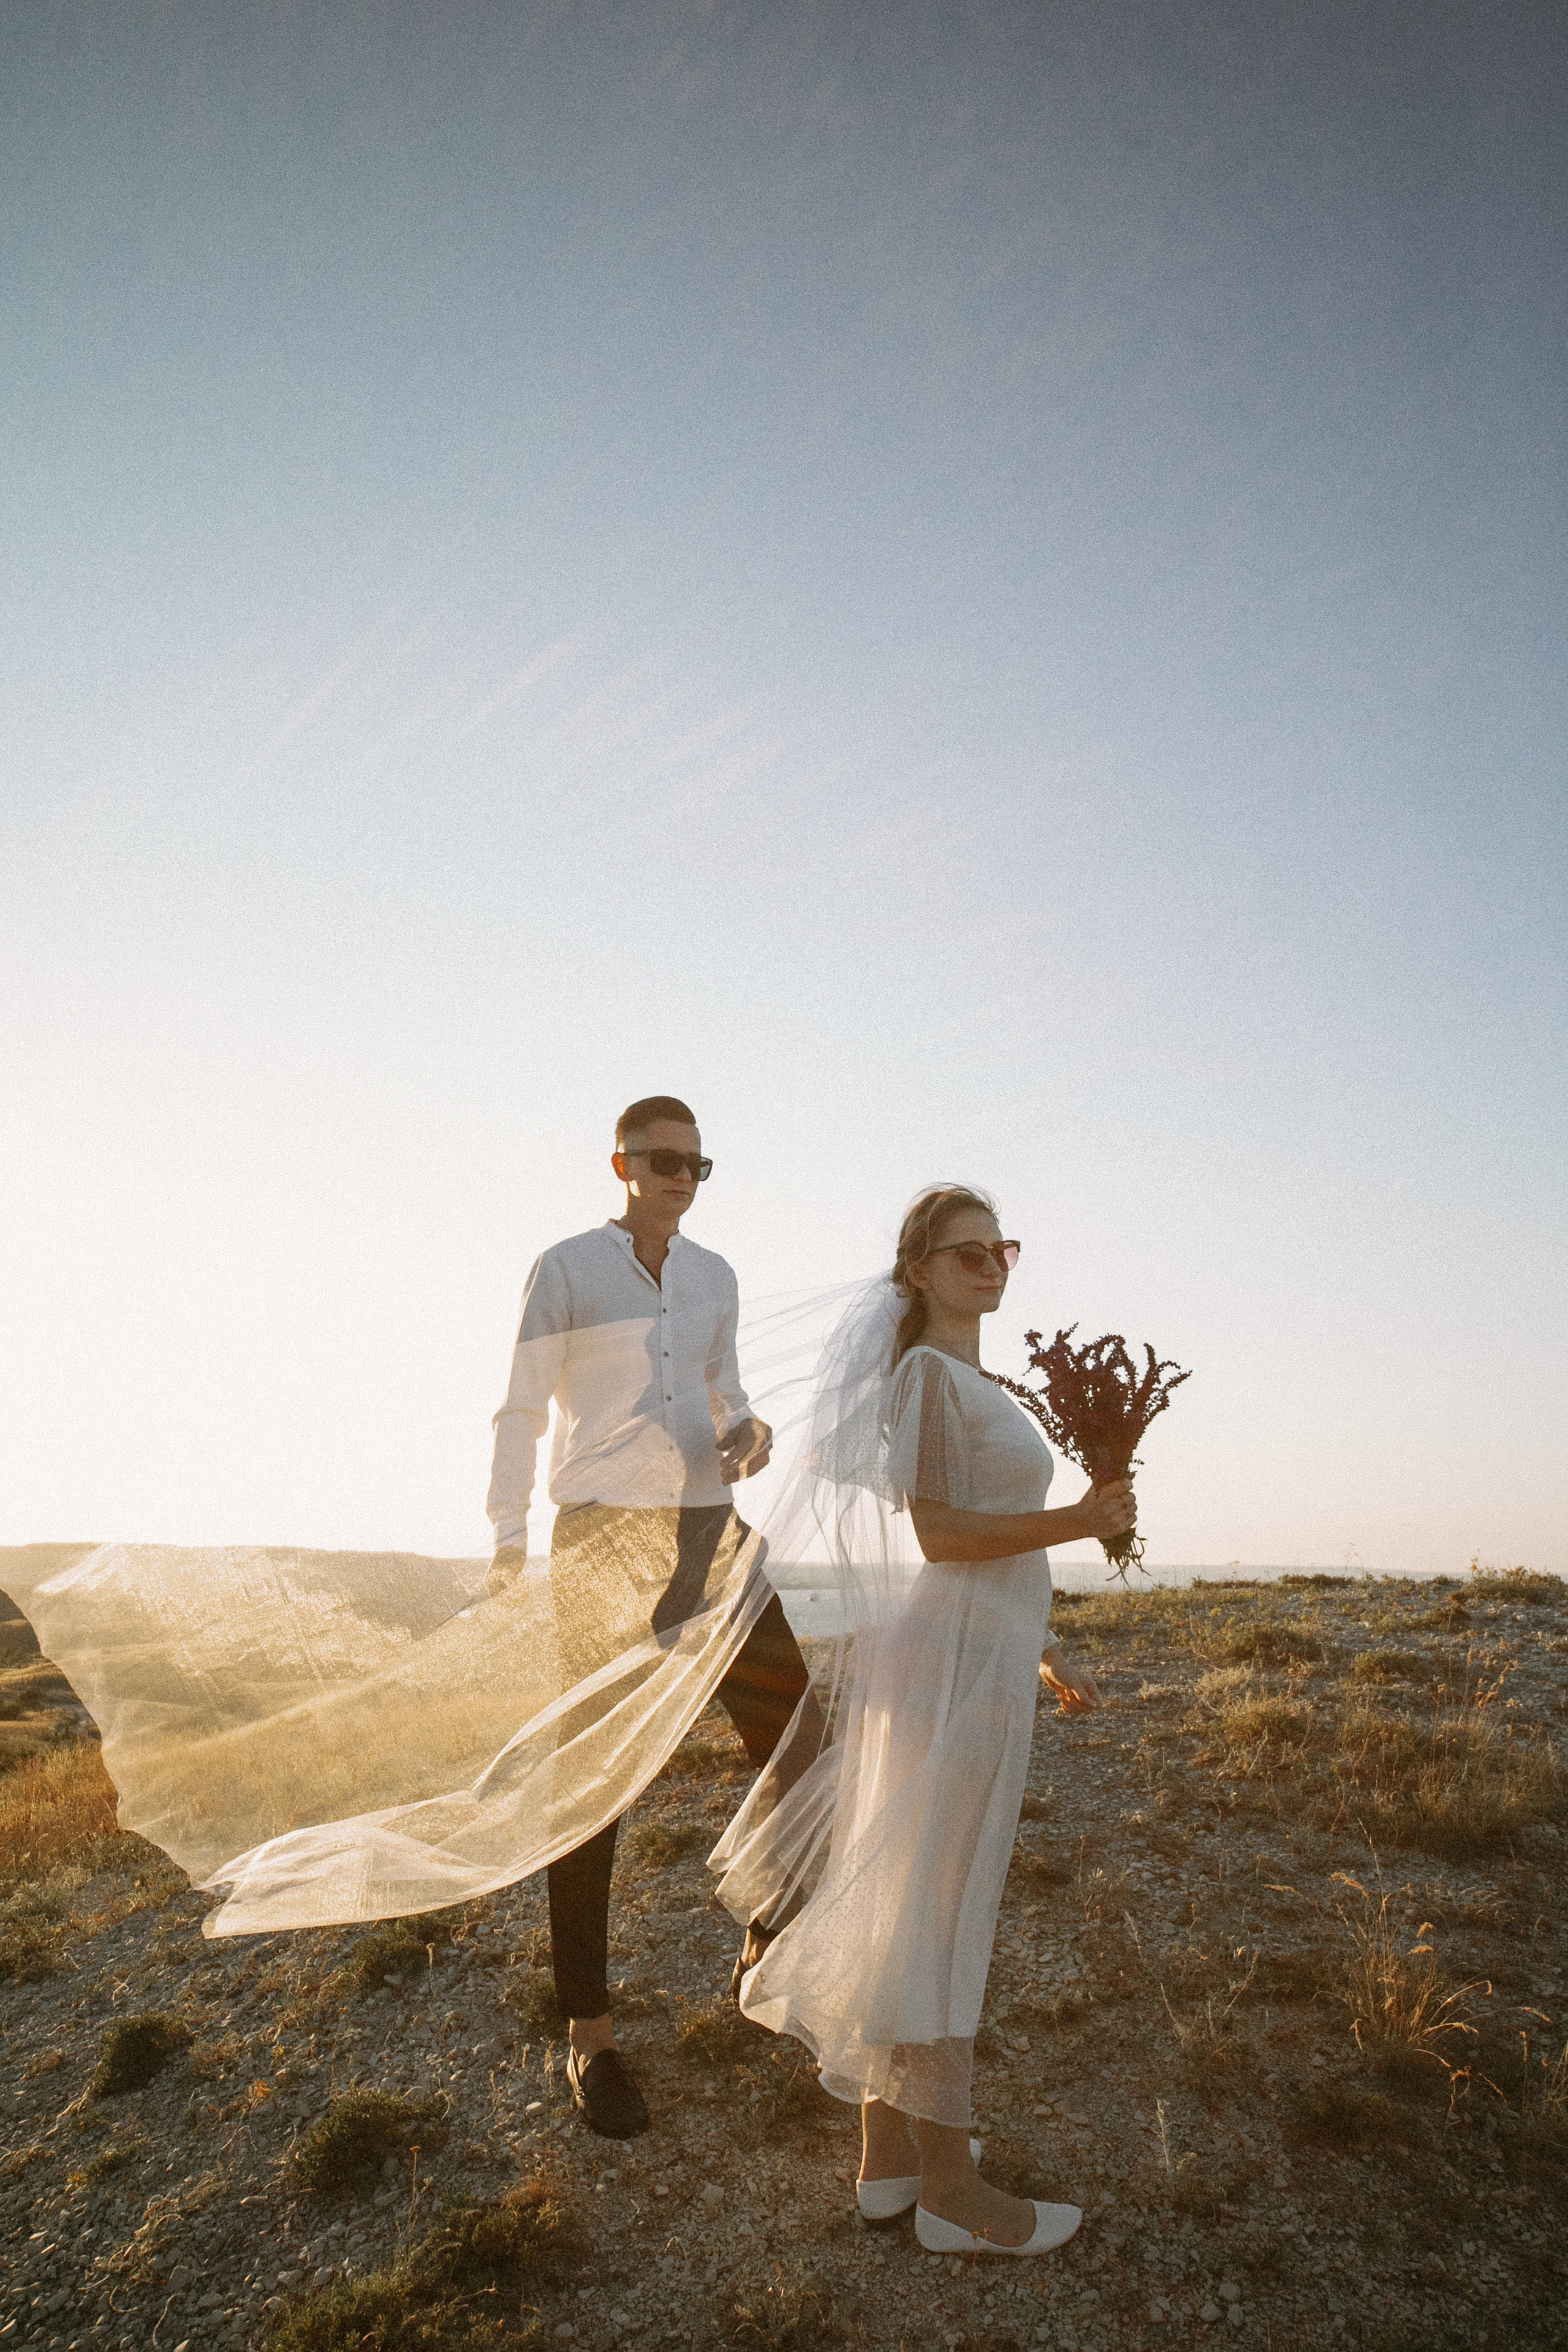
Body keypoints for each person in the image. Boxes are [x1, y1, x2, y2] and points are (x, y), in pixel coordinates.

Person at [709, 1185, 1136, 2256]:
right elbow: (943, 1536)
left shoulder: (960, 1378)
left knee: (914, 1898)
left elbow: (977, 1545)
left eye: (1002, 1247)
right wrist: (1085, 1518)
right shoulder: (928, 1376)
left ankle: (887, 2164)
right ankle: (953, 2191)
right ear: (918, 1272)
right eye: (967, 1251)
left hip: (969, 1655)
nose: (991, 1263)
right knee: (941, 1907)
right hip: (947, 1664)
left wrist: (1038, 1646)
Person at [486, 1095, 818, 2139]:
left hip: (709, 1533)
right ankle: (590, 2036)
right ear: (620, 1162)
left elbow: (724, 1394)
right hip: (599, 1540)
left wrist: (748, 1431)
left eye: (698, 1165)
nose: (682, 1178)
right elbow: (521, 1408)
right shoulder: (567, 1268)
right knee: (590, 1790)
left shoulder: (715, 1275)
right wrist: (507, 1540)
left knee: (798, 1738)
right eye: (665, 1161)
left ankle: (772, 1939)